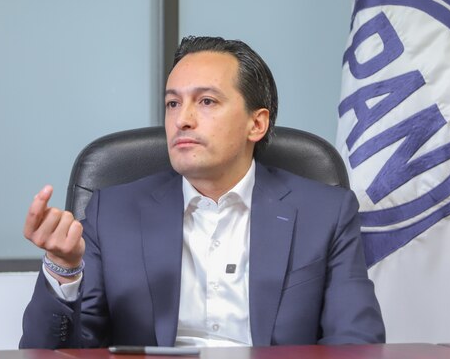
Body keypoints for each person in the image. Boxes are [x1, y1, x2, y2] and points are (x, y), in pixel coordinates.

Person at [20, 36, 384, 348]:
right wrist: (64, 270)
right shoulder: (112, 212)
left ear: (256, 123)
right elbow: (55, 351)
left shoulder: (325, 213)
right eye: (173, 103)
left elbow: (355, 343)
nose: (182, 119)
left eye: (206, 101)